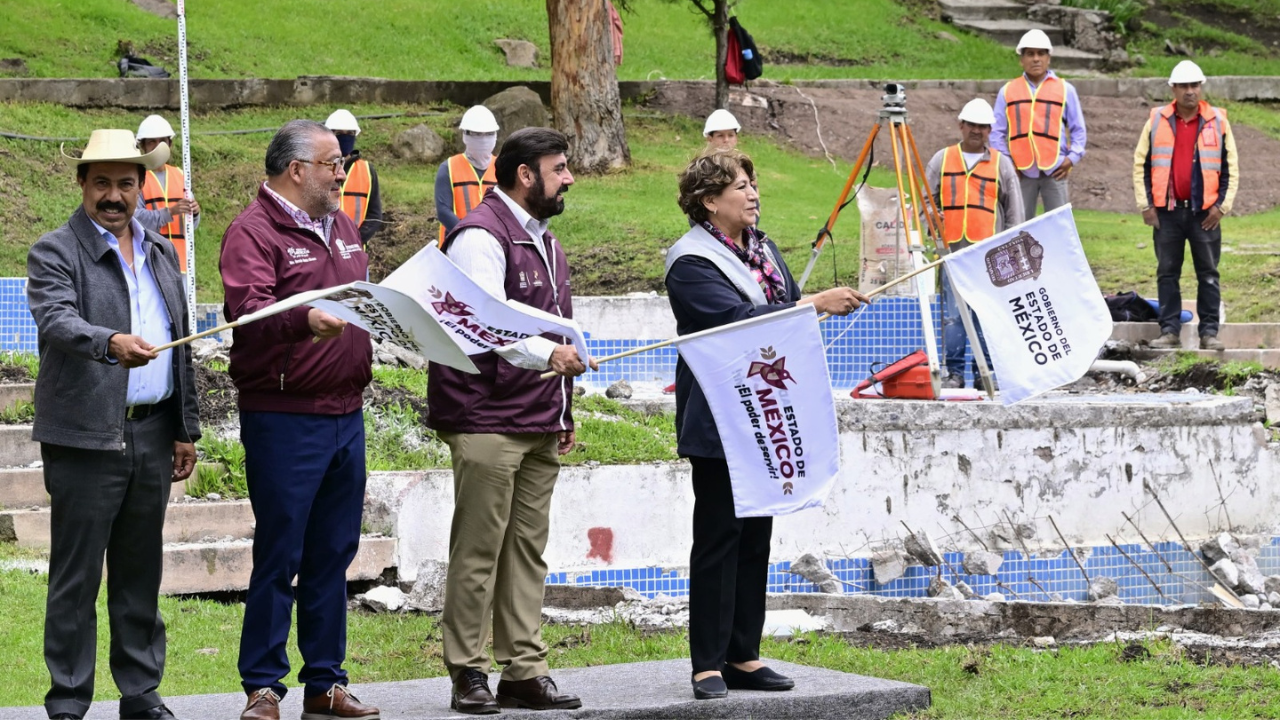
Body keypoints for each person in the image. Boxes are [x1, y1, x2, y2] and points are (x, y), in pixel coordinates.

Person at [665, 148, 866, 700]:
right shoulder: (690, 263)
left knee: (756, 535)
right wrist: (816, 303)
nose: (753, 192)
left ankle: (743, 655)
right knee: (717, 537)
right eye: (739, 185)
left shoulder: (764, 248)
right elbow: (734, 324)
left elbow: (787, 311)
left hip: (766, 414)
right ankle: (707, 663)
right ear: (709, 201)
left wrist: (815, 305)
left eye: (753, 182)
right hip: (719, 420)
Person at [27, 128, 201, 720]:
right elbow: (56, 321)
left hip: (152, 431)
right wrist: (110, 344)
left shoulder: (161, 249)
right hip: (83, 435)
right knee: (76, 576)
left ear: (142, 187)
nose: (113, 195)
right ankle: (69, 700)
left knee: (139, 568)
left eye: (126, 183)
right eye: (101, 182)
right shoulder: (55, 251)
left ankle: (140, 693)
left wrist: (185, 427)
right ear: (81, 185)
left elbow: (182, 343)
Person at [427, 127, 593, 715]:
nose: (568, 177)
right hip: (485, 418)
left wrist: (564, 408)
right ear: (526, 175)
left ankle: (524, 669)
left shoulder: (546, 241)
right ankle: (468, 671)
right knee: (479, 550)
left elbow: (559, 328)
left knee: (527, 551)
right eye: (560, 168)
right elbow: (479, 323)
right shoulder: (479, 237)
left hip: (538, 416)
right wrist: (550, 357)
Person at [220, 120, 380, 720]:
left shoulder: (341, 226)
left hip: (347, 412)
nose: (343, 172)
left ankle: (326, 683)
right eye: (333, 162)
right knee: (280, 551)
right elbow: (249, 311)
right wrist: (303, 319)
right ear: (297, 170)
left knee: (333, 553)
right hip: (285, 415)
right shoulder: (252, 231)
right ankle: (263, 684)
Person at [1133, 60, 1238, 352]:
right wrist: (1146, 205)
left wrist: (1221, 207)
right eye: (1184, 86)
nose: (1190, 91)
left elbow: (1231, 168)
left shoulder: (1218, 120)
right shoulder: (1156, 119)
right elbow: (1141, 163)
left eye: (1194, 85)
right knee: (1167, 272)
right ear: (1173, 89)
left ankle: (1209, 333)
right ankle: (1169, 331)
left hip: (1205, 213)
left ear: (1200, 87)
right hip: (1166, 213)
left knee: (1208, 273)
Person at [926, 99, 1025, 390]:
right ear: (961, 125)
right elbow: (924, 202)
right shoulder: (941, 159)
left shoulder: (1001, 163)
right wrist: (933, 219)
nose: (977, 131)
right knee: (953, 316)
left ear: (990, 130)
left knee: (987, 313)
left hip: (989, 253)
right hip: (951, 250)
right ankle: (954, 373)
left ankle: (986, 373)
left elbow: (1014, 210)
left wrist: (1010, 248)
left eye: (983, 127)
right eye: (972, 125)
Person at [990, 29, 1086, 220]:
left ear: (1048, 58)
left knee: (1060, 225)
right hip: (1020, 173)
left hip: (1055, 170)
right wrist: (1008, 164)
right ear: (1021, 59)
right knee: (1019, 227)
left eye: (1041, 53)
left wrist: (1072, 158)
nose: (1036, 59)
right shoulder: (1008, 91)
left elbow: (1079, 130)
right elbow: (996, 133)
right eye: (1030, 54)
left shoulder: (1066, 89)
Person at [135, 114, 201, 276]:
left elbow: (191, 226)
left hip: (181, 264)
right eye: (152, 142)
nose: (158, 146)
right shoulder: (135, 179)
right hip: (150, 263)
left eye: (162, 141)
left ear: (170, 144)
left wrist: (195, 213)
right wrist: (169, 212)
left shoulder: (180, 175)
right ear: (143, 146)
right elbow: (135, 219)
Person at [435, 105, 500, 247]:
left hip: (495, 246)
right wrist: (468, 235)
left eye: (489, 134)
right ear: (465, 135)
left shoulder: (502, 168)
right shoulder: (448, 168)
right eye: (476, 134)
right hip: (454, 246)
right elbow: (443, 211)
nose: (483, 139)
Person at [324, 109, 383, 247]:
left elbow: (374, 215)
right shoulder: (316, 168)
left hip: (355, 253)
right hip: (323, 252)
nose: (345, 138)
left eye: (350, 134)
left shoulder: (367, 171)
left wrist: (355, 240)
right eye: (339, 134)